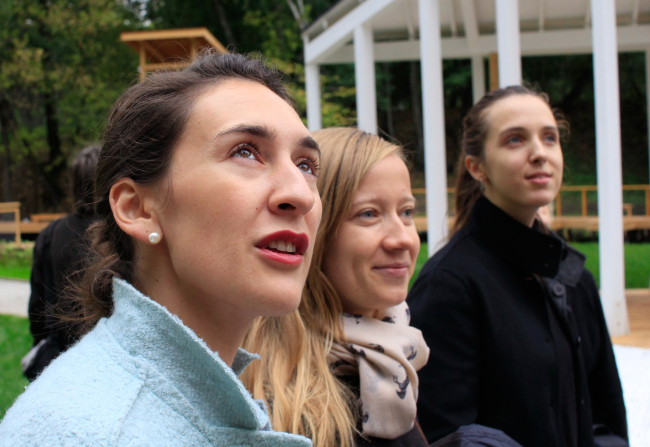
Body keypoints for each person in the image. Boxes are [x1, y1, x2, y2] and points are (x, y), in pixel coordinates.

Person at [0, 51, 319, 447]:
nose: (300, 194)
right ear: (137, 209)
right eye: (245, 151)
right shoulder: (86, 434)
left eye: (306, 164)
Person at [407, 86, 627, 447]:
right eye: (515, 140)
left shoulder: (574, 277)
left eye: (549, 138)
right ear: (476, 167)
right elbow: (445, 433)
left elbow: (607, 417)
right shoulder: (450, 285)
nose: (539, 153)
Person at [242, 127, 430, 447]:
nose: (402, 239)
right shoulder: (293, 413)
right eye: (368, 214)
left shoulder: (389, 352)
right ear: (314, 230)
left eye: (407, 212)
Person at [23, 145, 100, 381]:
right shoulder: (121, 234)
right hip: (110, 355)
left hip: (63, 358)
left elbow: (37, 305)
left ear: (73, 184)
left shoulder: (51, 235)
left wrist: (41, 344)